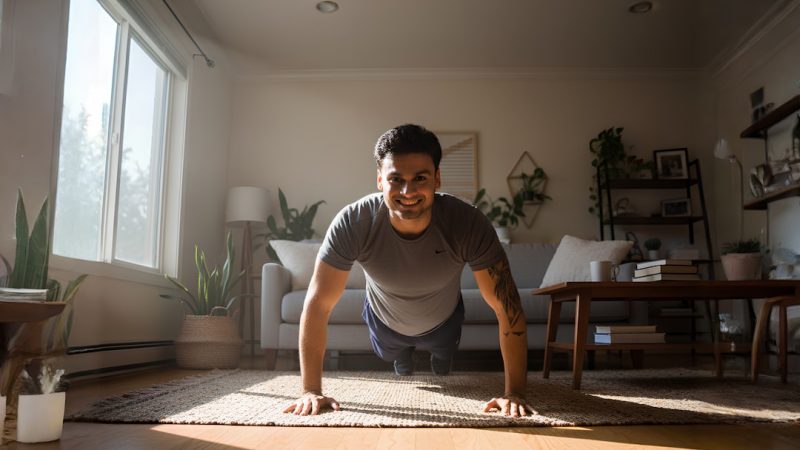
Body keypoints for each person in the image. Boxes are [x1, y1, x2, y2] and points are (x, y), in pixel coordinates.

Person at [282, 124, 533, 417]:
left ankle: (439, 359)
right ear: (379, 181)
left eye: (420, 178)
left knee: (443, 358)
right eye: (395, 179)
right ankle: (402, 357)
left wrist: (514, 392)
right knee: (395, 354)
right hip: (383, 322)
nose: (408, 191)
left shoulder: (468, 223)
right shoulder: (353, 222)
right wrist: (311, 390)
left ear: (437, 179)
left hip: (444, 322)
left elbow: (508, 307)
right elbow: (318, 305)